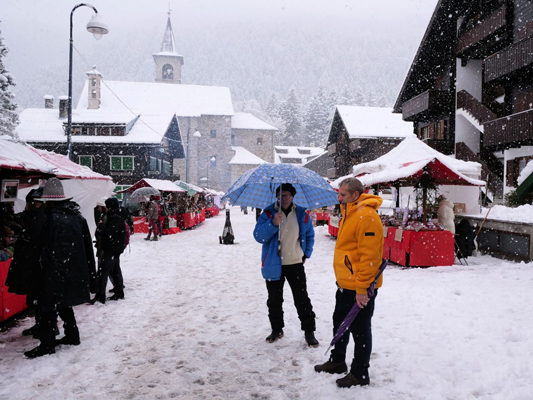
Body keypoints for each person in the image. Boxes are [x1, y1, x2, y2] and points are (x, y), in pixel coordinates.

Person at [314, 177, 384, 388]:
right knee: (340, 324)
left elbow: (370, 258)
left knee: (360, 330)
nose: (339, 198)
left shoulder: (366, 217)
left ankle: (360, 373)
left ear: (355, 195)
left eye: (343, 194)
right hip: (345, 285)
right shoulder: (350, 212)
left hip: (359, 288)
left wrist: (362, 289)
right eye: (339, 194)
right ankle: (337, 361)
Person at [24, 178, 96, 359]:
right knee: (64, 304)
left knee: (47, 307)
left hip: (53, 271)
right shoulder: (76, 217)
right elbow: (87, 248)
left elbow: (42, 247)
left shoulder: (50, 219)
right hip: (72, 270)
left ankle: (47, 344)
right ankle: (72, 335)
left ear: (48, 200)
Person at [253, 183, 318, 347]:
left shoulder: (302, 213)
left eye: (287, 195)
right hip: (273, 264)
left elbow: (309, 235)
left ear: (293, 196)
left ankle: (309, 331)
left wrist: (306, 254)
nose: (284, 198)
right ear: (276, 197)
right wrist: (273, 223)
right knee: (274, 300)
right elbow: (259, 236)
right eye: (281, 195)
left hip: (295, 262)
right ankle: (277, 329)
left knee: (302, 299)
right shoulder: (268, 213)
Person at [5, 188, 50, 338]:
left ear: (35, 203)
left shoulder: (37, 219)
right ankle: (42, 325)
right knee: (37, 298)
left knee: (37, 297)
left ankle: (44, 327)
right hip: (35, 265)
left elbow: (34, 243)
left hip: (33, 266)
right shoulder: (39, 217)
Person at [90, 197, 126, 304]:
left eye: (106, 206)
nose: (104, 208)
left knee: (102, 272)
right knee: (115, 270)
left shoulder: (115, 218)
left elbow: (108, 232)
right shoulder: (117, 216)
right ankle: (119, 291)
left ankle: (100, 296)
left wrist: (101, 225)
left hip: (112, 249)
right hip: (115, 248)